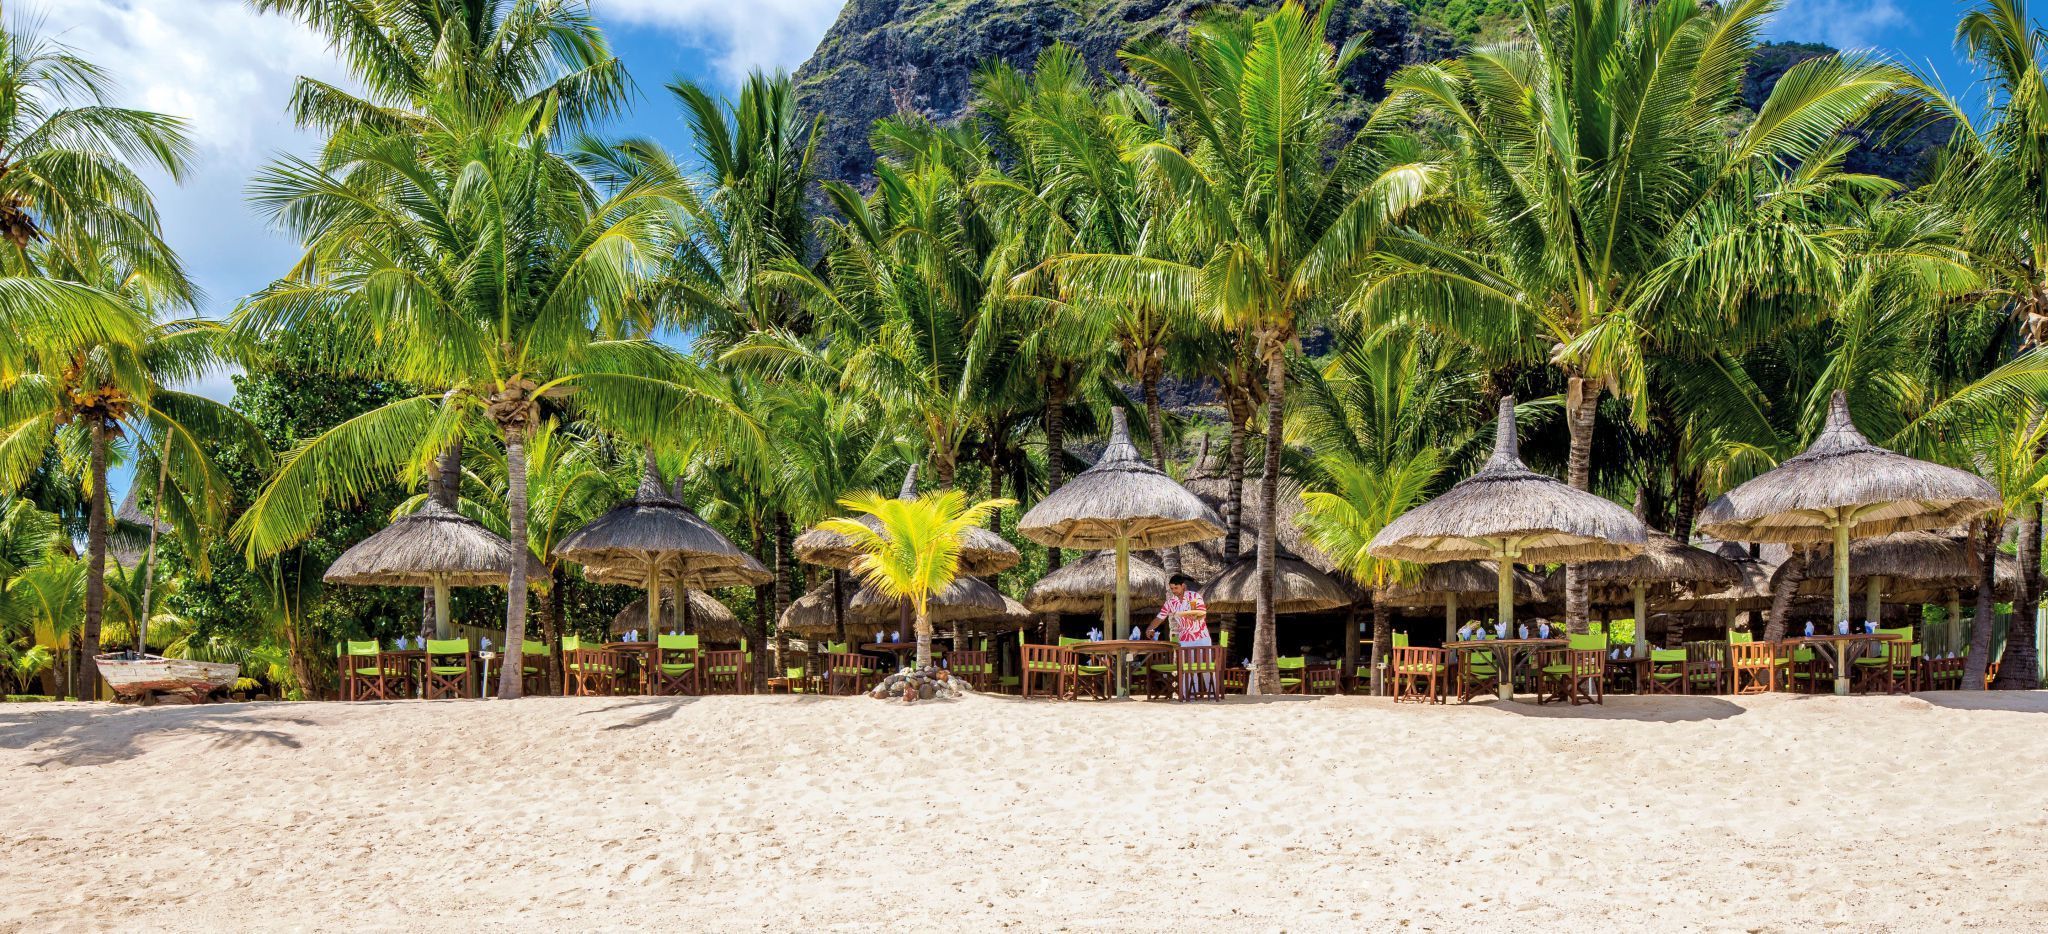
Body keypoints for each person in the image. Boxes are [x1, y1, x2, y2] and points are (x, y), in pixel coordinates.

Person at [1147, 574, 1209, 645]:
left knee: (1204, 656)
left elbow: (1203, 614)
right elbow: (1160, 618)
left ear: (1182, 586)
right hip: (1184, 640)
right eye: (1172, 588)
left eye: (1176, 588)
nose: (1174, 591)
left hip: (1201, 638)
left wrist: (1195, 617)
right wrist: (1150, 628)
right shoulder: (1170, 603)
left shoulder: (1194, 596)